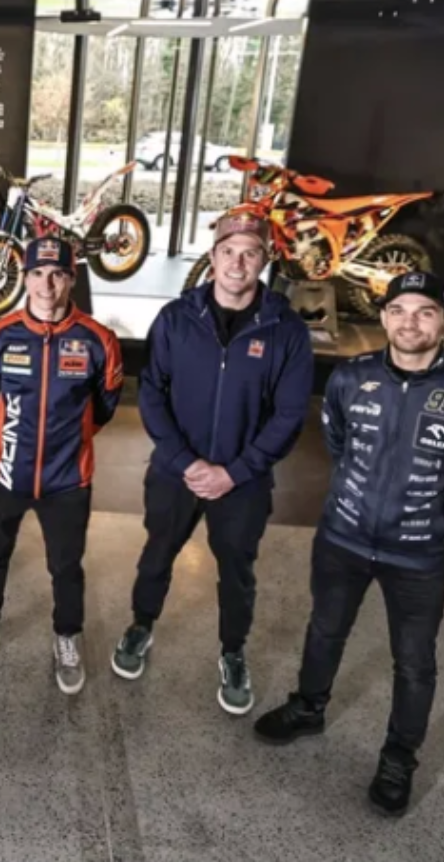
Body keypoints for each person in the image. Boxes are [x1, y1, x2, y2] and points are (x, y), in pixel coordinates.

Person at [253, 270, 444, 818]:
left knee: (414, 662)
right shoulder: (352, 377)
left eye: (424, 311)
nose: (410, 322)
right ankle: (308, 707)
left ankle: (399, 756)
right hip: (342, 537)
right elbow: (338, 442)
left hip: (417, 554)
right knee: (325, 630)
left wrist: (437, 509)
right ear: (385, 317)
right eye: (399, 311)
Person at [111, 210, 314, 716]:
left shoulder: (286, 330)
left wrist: (235, 472)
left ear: (264, 260)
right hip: (176, 472)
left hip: (243, 481)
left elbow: (289, 415)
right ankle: (141, 626)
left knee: (238, 571)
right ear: (213, 255)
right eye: (229, 251)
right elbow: (152, 392)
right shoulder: (177, 318)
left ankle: (232, 651)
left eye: (250, 253)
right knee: (157, 553)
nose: (237, 263)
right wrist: (184, 461)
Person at [0, 237, 124, 694]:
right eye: (37, 273)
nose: (46, 284)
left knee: (66, 566)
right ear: (24, 277)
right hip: (4, 473)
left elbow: (105, 406)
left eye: (58, 274)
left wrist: (69, 442)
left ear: (70, 279)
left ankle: (66, 636)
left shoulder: (98, 341)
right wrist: (15, 436)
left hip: (68, 481)